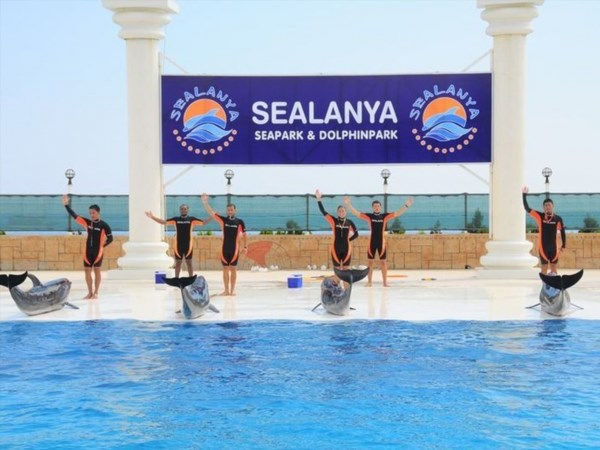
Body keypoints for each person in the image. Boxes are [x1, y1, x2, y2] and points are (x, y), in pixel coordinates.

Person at [344, 196, 414, 286]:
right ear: (372, 207)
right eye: (375, 206)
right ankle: (369, 282)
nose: (376, 207)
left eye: (378, 206)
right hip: (372, 243)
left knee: (383, 262)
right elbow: (357, 213)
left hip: (381, 243)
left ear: (380, 207)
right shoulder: (369, 216)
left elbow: (397, 213)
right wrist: (349, 205)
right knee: (370, 262)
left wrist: (406, 206)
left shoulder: (384, 216)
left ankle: (385, 282)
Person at [62, 195, 113, 299]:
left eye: (93, 213)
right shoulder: (87, 223)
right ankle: (90, 292)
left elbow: (110, 238)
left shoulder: (104, 225)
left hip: (98, 252)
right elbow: (74, 215)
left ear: (98, 212)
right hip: (88, 251)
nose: (91, 215)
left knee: (97, 270)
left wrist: (102, 246)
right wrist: (66, 205)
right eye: (90, 213)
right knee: (87, 270)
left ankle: (96, 293)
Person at [201, 193, 247, 296]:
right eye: (228, 210)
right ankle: (226, 290)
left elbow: (244, 234)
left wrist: (245, 247)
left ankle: (232, 290)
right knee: (225, 268)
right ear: (227, 211)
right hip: (225, 249)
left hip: (234, 249)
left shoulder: (239, 222)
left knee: (233, 269)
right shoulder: (223, 220)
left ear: (235, 210)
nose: (230, 211)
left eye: (231, 210)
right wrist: (205, 203)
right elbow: (212, 213)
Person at [145, 205, 209, 277]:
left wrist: (212, 216)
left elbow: (203, 222)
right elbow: (163, 222)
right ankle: (176, 279)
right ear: (180, 210)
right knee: (178, 263)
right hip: (178, 245)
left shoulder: (191, 219)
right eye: (182, 209)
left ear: (188, 210)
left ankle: (191, 279)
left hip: (188, 245)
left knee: (189, 263)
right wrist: (152, 217)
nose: (183, 210)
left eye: (185, 209)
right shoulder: (176, 219)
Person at [522, 186, 566, 274]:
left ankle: (554, 282)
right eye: (545, 205)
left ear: (553, 206)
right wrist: (524, 195)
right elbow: (527, 208)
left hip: (554, 248)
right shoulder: (540, 216)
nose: (547, 207)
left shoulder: (558, 219)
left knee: (554, 270)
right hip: (543, 248)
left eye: (549, 205)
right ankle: (544, 283)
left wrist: (564, 245)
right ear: (543, 207)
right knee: (544, 270)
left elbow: (562, 232)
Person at [315, 189, 358, 269]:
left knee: (346, 272)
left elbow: (356, 234)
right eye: (339, 211)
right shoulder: (334, 221)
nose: (341, 212)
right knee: (337, 272)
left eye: (343, 211)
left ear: (346, 212)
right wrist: (318, 199)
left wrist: (348, 240)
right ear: (337, 212)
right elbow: (323, 211)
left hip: (347, 249)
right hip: (335, 249)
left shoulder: (349, 222)